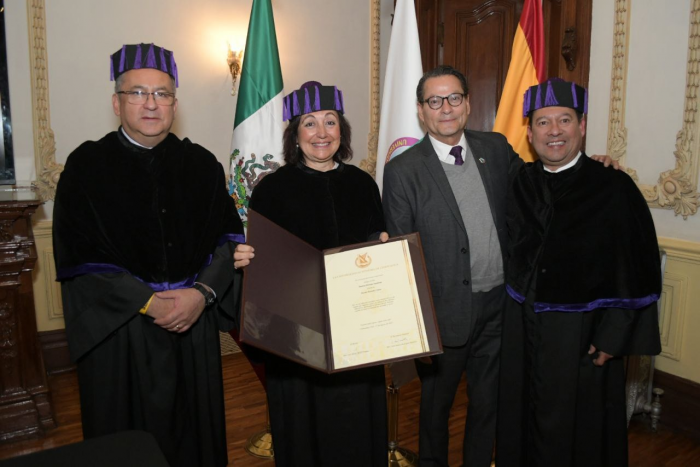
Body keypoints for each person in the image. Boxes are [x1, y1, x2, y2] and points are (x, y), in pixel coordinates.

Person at [53, 43, 244, 467]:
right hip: (122, 332)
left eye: (162, 94)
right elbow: (78, 256)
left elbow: (229, 240)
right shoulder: (86, 166)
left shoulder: (202, 165)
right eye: (138, 93)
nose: (151, 104)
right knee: (125, 446)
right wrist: (148, 301)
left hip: (193, 325)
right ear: (116, 102)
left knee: (196, 441)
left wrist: (202, 294)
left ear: (175, 104)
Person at [496, 79, 662, 467]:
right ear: (530, 132)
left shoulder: (613, 186)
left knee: (579, 435)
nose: (554, 131)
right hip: (522, 328)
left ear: (582, 126)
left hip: (582, 335)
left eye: (564, 120)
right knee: (522, 422)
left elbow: (635, 269)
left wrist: (613, 336)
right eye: (543, 122)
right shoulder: (521, 182)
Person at [235, 81, 388, 466]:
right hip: (296, 336)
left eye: (330, 121)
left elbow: (376, 237)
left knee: (356, 423)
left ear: (342, 130)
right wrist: (247, 258)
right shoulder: (271, 189)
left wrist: (382, 246)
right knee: (303, 429)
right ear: (295, 134)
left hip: (357, 331)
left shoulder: (363, 184)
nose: (321, 133)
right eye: (309, 123)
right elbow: (262, 263)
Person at [382, 65, 520, 467]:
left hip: (498, 306)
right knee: (435, 411)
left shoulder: (496, 148)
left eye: (454, 98)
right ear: (421, 110)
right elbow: (402, 252)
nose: (446, 108)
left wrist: (586, 165)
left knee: (487, 404)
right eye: (435, 100)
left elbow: (536, 187)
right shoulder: (403, 170)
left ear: (468, 103)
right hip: (442, 314)